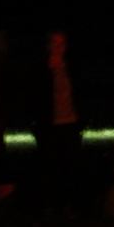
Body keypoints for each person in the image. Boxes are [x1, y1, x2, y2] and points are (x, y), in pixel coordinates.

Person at [34, 29, 83, 214]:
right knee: (50, 166)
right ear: (48, 45)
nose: (58, 47)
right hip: (49, 125)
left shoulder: (71, 67)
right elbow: (36, 96)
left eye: (61, 43)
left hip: (70, 123)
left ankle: (68, 204)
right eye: (54, 43)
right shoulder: (40, 67)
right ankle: (49, 204)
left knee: (69, 166)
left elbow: (80, 93)